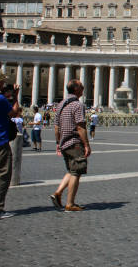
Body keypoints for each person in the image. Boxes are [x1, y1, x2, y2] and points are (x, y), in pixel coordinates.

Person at [50, 79, 91, 212]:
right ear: (76, 90)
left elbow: (56, 127)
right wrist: (86, 144)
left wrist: (58, 143)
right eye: (81, 87)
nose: (83, 88)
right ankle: (70, 203)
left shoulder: (61, 104)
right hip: (74, 143)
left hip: (64, 143)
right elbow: (80, 126)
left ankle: (58, 193)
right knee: (76, 172)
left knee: (71, 170)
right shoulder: (77, 105)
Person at [0, 69, 20, 219]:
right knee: (2, 174)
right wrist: (15, 96)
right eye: (2, 80)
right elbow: (14, 112)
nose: (4, 83)